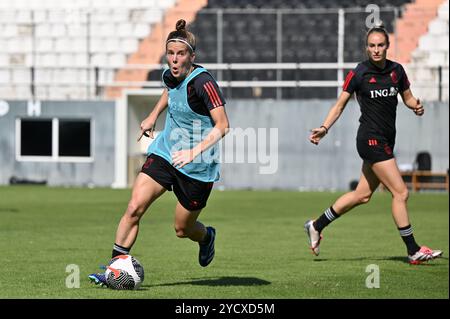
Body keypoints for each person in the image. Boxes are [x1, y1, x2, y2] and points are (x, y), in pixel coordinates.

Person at [89, 19, 230, 286]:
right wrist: (153, 116)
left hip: (197, 166)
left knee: (182, 229)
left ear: (192, 56)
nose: (174, 60)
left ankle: (207, 237)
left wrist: (193, 152)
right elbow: (169, 91)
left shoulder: (203, 83)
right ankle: (113, 270)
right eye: (171, 53)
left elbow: (223, 125)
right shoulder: (169, 74)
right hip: (166, 152)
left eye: (181, 54)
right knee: (134, 207)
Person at [304, 23, 443, 265]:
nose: (376, 50)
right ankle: (413, 250)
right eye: (372, 46)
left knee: (362, 195)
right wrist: (324, 128)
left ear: (388, 47)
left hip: (386, 140)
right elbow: (340, 105)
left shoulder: (397, 71)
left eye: (380, 45)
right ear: (366, 48)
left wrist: (416, 106)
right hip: (370, 140)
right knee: (400, 192)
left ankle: (316, 225)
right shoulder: (359, 73)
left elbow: (408, 98)